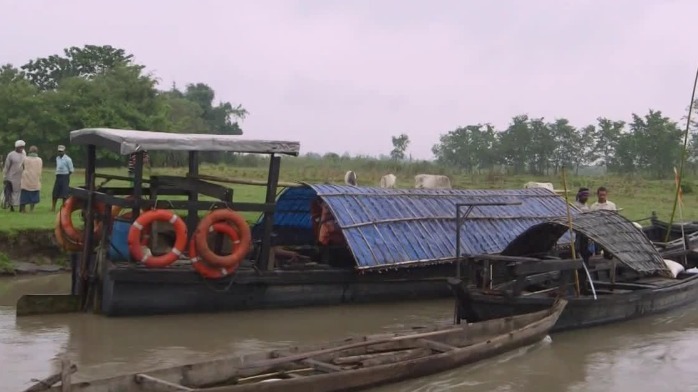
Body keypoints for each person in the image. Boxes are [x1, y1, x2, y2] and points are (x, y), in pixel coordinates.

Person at [3, 140, 26, 212]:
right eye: (20, 147)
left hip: (21, 177)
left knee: (20, 192)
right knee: (11, 192)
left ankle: (20, 207)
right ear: (16, 147)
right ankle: (11, 206)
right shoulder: (11, 155)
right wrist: (5, 176)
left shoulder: (24, 154)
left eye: (23, 147)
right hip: (11, 177)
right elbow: (7, 166)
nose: (22, 148)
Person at [20, 145, 43, 212]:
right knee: (34, 194)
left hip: (26, 179)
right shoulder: (39, 159)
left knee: (24, 194)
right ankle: (31, 209)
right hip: (35, 179)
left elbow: (22, 167)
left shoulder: (25, 159)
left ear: (29, 151)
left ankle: (23, 209)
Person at [52, 145, 74, 212]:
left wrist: (66, 175)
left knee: (64, 193)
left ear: (64, 151)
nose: (60, 153)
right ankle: (53, 207)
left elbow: (71, 170)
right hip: (58, 176)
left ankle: (63, 208)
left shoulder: (68, 159)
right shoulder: (57, 158)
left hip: (65, 176)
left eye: (61, 151)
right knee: (55, 192)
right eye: (59, 151)